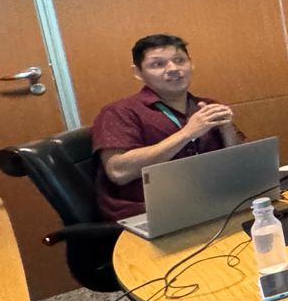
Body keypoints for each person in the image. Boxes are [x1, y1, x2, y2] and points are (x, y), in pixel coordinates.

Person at [92, 33, 243, 219]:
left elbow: (240, 166)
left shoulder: (207, 106)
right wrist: (187, 133)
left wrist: (227, 131)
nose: (173, 69)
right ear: (138, 72)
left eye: (180, 60)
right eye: (158, 64)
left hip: (211, 202)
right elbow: (118, 171)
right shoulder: (120, 112)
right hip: (149, 213)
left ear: (191, 63)